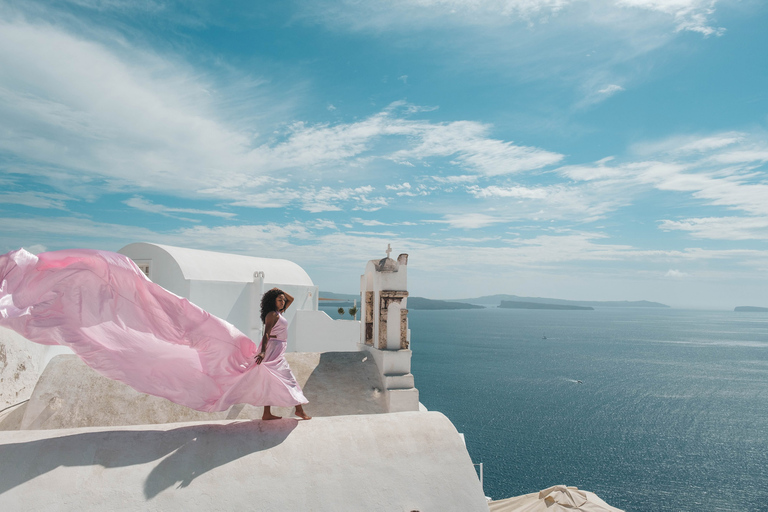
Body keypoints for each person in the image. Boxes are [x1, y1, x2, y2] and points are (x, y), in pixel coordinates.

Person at [253, 287, 312, 420]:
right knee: (289, 379)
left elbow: (291, 299)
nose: (283, 302)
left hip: (278, 350)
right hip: (272, 350)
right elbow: (266, 333)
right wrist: (262, 352)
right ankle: (299, 410)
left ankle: (266, 413)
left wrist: (277, 291)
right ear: (272, 301)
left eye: (283, 300)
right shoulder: (272, 315)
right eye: (279, 300)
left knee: (269, 380)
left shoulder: (278, 313)